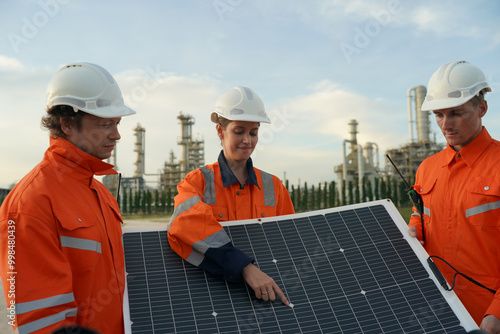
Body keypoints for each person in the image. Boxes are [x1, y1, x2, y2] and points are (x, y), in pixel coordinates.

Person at [0, 62, 136, 333]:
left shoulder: (100, 193)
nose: (117, 135)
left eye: (117, 123)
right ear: (67, 124)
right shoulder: (28, 204)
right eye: (105, 124)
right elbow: (40, 320)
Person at [167, 86, 295, 305]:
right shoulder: (196, 182)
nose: (247, 140)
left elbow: (289, 243)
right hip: (215, 296)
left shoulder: (274, 186)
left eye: (253, 132)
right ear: (220, 131)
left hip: (267, 294)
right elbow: (184, 225)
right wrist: (244, 267)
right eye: (239, 131)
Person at [408, 60, 500, 333]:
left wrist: (497, 313)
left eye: (456, 113)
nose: (445, 125)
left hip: (486, 316)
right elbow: (420, 216)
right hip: (436, 309)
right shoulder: (427, 168)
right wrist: (413, 230)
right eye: (438, 115)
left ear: (481, 108)